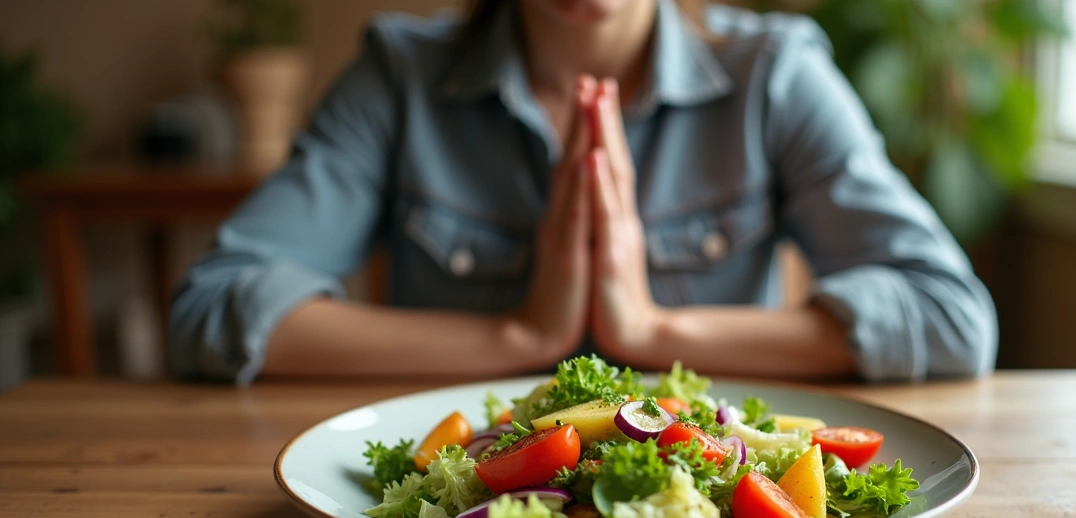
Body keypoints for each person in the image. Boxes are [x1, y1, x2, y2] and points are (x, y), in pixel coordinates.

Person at [169, 0, 997, 385]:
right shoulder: (398, 77)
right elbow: (212, 306)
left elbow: (951, 318)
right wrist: (518, 334)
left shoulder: (775, 75)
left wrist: (655, 328)